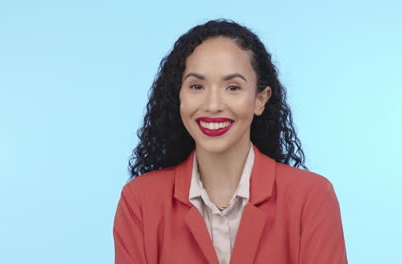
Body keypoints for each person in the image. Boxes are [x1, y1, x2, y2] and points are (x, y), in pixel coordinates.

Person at [113, 19, 348, 264]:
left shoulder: (311, 197)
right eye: (196, 86)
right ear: (178, 97)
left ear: (260, 99)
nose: (213, 105)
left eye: (233, 87)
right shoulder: (140, 201)